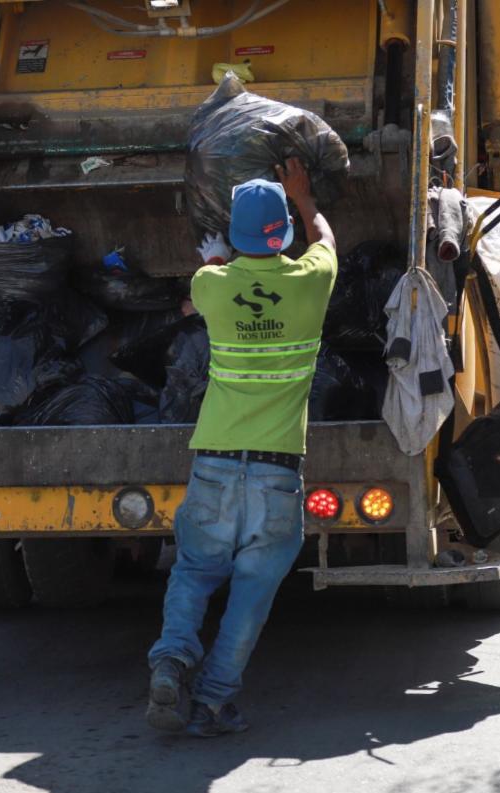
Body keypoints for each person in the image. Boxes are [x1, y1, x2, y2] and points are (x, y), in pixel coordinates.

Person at [146, 157, 337, 737]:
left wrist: (219, 256)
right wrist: (304, 199)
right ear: (282, 231)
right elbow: (326, 239)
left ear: (233, 236)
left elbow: (211, 274)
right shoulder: (313, 281)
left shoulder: (211, 285)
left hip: (215, 465)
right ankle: (211, 703)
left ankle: (173, 657)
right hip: (278, 474)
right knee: (253, 592)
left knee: (195, 570)